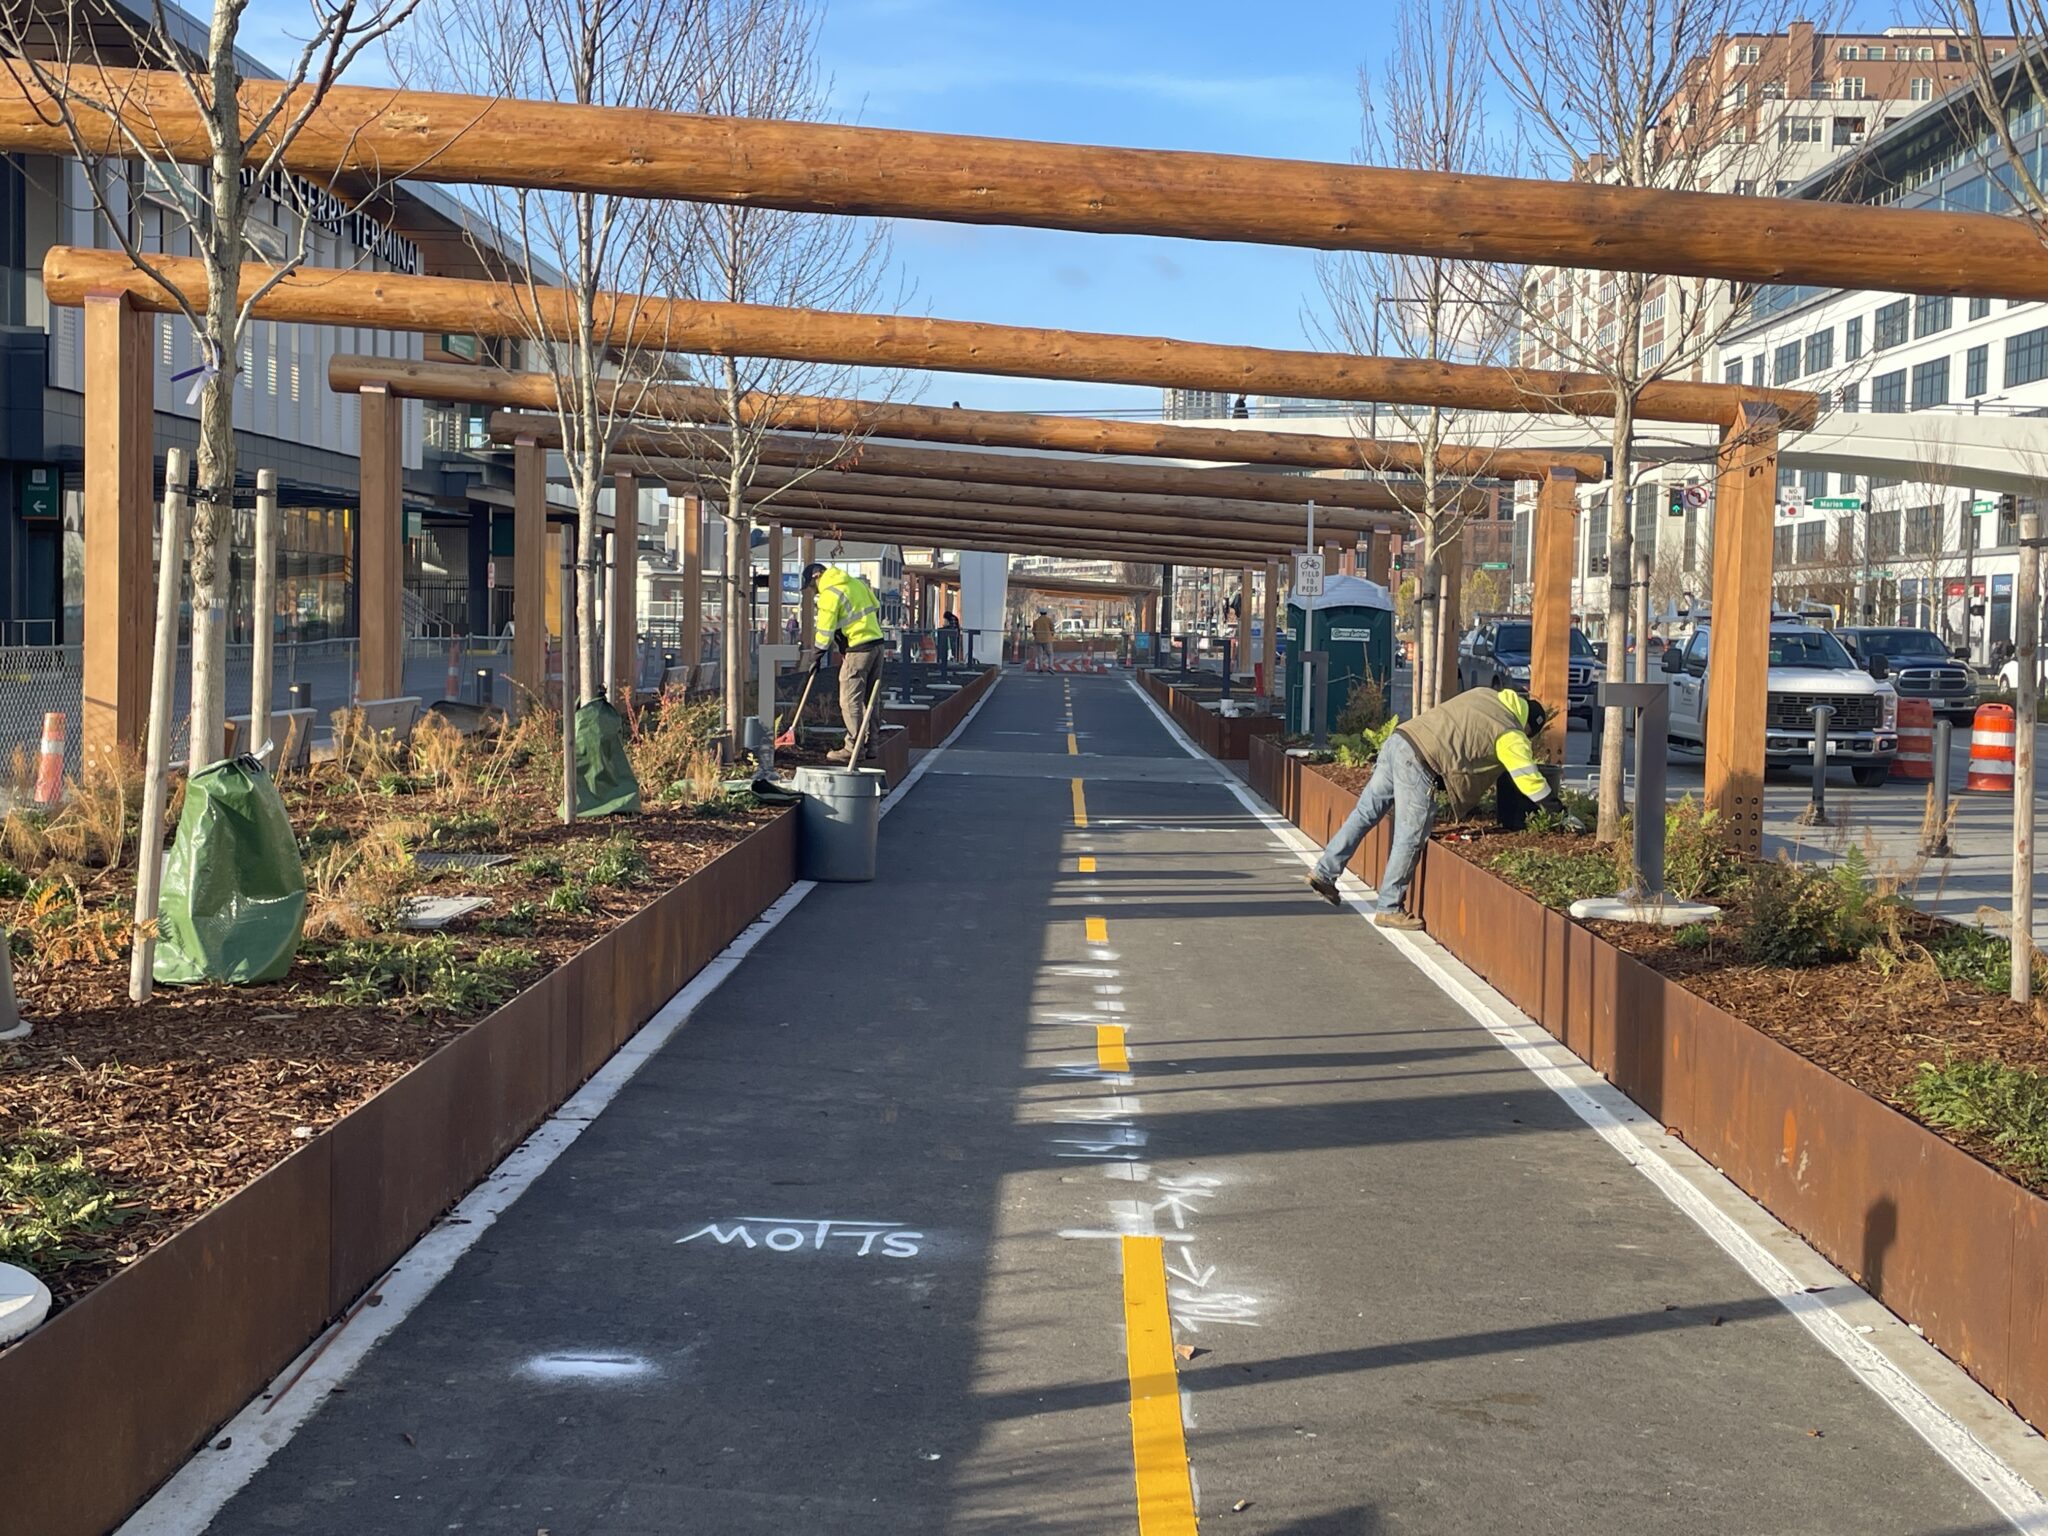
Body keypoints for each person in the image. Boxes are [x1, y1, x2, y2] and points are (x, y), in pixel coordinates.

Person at [1307, 688, 1560, 929]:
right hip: (1420, 761)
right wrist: (1556, 811)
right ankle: (1389, 907)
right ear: (1529, 727)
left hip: (1400, 739)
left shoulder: (1487, 695)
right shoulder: (1511, 734)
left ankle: (1324, 873)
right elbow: (1528, 779)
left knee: (1365, 814)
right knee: (1411, 835)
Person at [801, 561, 886, 762]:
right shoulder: (856, 583)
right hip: (876, 645)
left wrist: (816, 656)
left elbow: (824, 631)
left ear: (816, 576)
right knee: (869, 698)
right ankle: (871, 743)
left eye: (812, 587)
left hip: (858, 649)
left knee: (849, 698)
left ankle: (852, 747)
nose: (814, 592)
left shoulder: (830, 594)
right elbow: (875, 606)